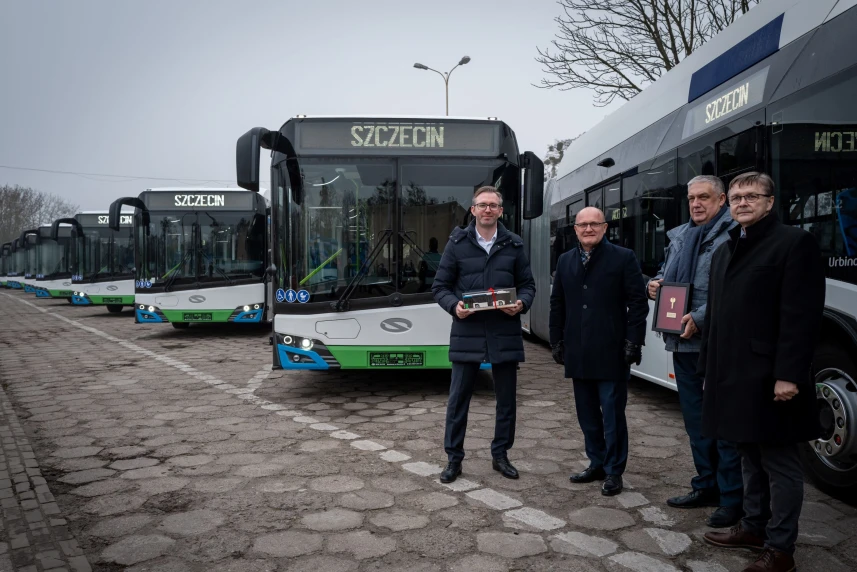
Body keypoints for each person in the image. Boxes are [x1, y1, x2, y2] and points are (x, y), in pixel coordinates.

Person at [700, 172, 825, 572]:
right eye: (736, 196)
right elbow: (718, 318)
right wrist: (708, 368)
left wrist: (789, 374)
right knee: (747, 456)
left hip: (772, 378)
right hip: (733, 376)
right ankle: (753, 527)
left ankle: (781, 548)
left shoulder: (794, 243)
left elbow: (800, 317)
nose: (742, 202)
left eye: (752, 196)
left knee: (779, 464)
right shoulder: (725, 249)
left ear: (770, 202)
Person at [648, 175, 743, 528]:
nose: (696, 204)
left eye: (704, 197)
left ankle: (733, 498)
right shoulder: (681, 236)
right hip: (682, 342)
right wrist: (654, 285)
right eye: (691, 198)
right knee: (696, 422)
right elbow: (665, 274)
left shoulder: (736, 234)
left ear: (722, 200)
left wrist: (702, 317)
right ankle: (706, 485)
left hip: (718, 342)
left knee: (723, 423)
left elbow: (737, 286)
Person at [432, 186, 536, 484]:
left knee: (506, 401)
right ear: (473, 210)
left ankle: (501, 455)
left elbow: (528, 285)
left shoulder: (514, 245)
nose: (488, 210)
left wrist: (521, 304)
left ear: (501, 211)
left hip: (505, 333)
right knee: (458, 400)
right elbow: (440, 287)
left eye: (493, 205)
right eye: (482, 205)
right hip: (468, 331)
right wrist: (455, 306)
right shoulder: (457, 243)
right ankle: (454, 459)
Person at [549, 207, 648, 496]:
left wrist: (633, 342)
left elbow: (638, 303)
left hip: (612, 351)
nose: (588, 229)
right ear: (575, 229)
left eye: (594, 224)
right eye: (583, 225)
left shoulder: (623, 257)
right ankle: (597, 461)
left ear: (605, 227)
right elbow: (558, 304)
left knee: (613, 414)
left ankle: (614, 470)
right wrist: (557, 341)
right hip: (578, 351)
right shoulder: (566, 260)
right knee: (587, 413)